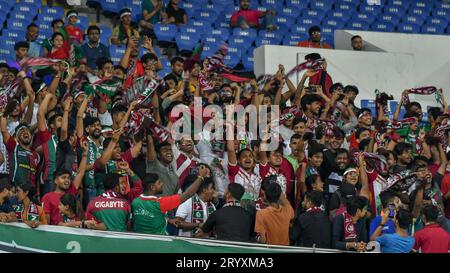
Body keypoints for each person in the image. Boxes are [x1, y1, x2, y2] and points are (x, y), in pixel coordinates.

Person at [131, 166, 209, 235]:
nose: (162, 184)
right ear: (152, 187)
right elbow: (188, 194)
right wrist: (201, 176)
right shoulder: (160, 203)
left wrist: (168, 220)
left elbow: (142, 218)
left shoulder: (135, 202)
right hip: (159, 243)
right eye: (159, 183)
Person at [175, 168, 217, 237]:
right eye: (212, 188)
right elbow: (177, 223)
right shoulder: (187, 201)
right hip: (186, 244)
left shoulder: (212, 206)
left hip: (204, 245)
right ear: (204, 190)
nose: (214, 192)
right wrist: (198, 225)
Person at [255, 176, 294, 246]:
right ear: (280, 195)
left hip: (270, 250)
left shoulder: (261, 214)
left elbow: (262, 240)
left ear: (265, 196)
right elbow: (287, 205)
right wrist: (278, 189)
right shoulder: (288, 210)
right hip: (285, 250)